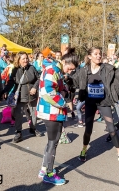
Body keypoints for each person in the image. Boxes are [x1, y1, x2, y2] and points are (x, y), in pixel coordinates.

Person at [71, 47, 119, 166]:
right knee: (88, 130)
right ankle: (84, 149)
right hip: (90, 103)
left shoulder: (108, 69)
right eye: (96, 54)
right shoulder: (83, 70)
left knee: (111, 129)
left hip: (104, 102)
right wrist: (67, 77)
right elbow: (73, 82)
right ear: (89, 56)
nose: (99, 56)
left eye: (100, 54)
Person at [36, 49, 78, 185]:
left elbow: (56, 88)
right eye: (69, 68)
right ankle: (49, 173)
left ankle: (44, 169)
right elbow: (47, 91)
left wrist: (64, 91)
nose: (70, 72)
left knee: (51, 142)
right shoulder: (52, 70)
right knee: (53, 142)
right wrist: (63, 102)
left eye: (72, 70)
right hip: (51, 111)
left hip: (53, 111)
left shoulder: (57, 70)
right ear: (64, 62)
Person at [2, 51, 42, 143]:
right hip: (20, 95)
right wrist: (5, 91)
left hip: (32, 95)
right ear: (19, 60)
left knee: (34, 114)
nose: (26, 60)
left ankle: (33, 128)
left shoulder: (32, 68)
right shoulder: (15, 70)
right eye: (23, 59)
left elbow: (39, 78)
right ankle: (18, 132)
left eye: (27, 58)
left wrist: (35, 88)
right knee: (19, 115)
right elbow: (11, 82)